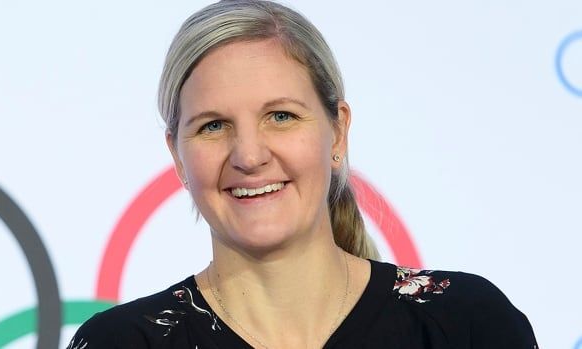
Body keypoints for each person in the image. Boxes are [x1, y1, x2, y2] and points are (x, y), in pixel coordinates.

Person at [68, 1, 538, 348]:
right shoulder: (122, 343)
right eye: (213, 125)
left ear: (337, 132)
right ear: (177, 155)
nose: (249, 155)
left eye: (281, 116)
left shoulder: (465, 323)